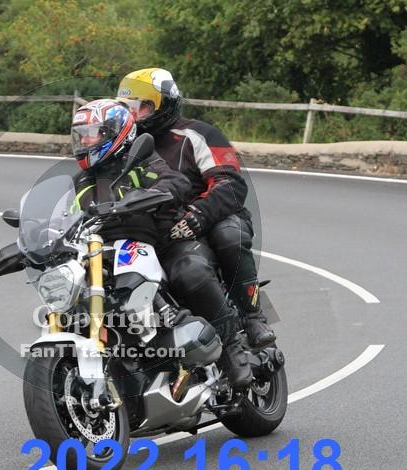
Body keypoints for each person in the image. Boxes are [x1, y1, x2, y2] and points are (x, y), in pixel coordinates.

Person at [70, 99, 255, 388]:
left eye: (92, 134)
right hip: (113, 249)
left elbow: (176, 181)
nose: (85, 141)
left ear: (114, 133)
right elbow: (75, 212)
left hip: (164, 240)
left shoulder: (141, 160)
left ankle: (232, 348)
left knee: (190, 272)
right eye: (81, 135)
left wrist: (151, 195)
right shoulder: (83, 179)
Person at [116, 68, 277, 349]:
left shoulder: (199, 134)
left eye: (142, 107)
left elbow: (230, 184)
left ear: (164, 104)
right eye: (128, 108)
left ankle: (253, 316)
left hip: (212, 217)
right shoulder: (122, 145)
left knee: (229, 236)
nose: (135, 115)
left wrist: (198, 216)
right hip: (160, 229)